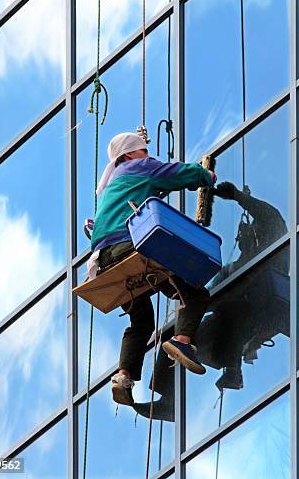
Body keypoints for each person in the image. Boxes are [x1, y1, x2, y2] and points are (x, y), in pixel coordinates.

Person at [87, 132, 217, 407]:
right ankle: (182, 341)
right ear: (130, 154)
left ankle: (123, 377)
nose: (148, 155)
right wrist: (205, 175)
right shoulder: (139, 167)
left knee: (142, 321)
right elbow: (175, 173)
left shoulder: (111, 187)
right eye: (144, 151)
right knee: (194, 294)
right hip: (130, 247)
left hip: (106, 261)